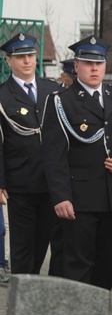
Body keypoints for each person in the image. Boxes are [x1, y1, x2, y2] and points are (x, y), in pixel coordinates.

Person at [42, 36, 112, 289]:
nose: (94, 68)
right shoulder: (61, 101)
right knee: (77, 263)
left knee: (108, 262)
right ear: (76, 66)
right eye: (88, 63)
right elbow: (53, 155)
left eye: (99, 63)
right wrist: (60, 196)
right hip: (80, 199)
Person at [0, 33, 59, 280]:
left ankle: (31, 293)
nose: (27, 61)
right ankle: (20, 303)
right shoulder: (3, 94)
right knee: (23, 246)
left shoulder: (53, 90)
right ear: (8, 61)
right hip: (20, 182)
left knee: (41, 244)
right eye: (20, 57)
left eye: (31, 56)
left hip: (52, 183)